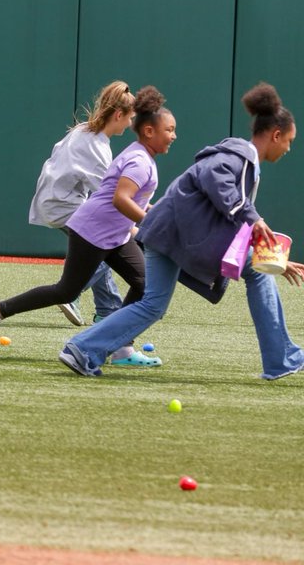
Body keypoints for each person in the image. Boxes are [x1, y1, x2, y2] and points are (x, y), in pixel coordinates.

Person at [61, 83, 304, 380]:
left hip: (171, 235)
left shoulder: (244, 160)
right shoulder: (239, 155)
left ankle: (82, 349)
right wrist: (255, 218)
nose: (289, 148)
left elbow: (233, 219)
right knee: (256, 273)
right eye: (289, 141)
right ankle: (282, 358)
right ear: (276, 135)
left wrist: (274, 257)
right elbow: (217, 179)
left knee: (152, 305)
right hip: (177, 235)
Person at [0, 87, 176, 366]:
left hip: (103, 226)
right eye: (169, 129)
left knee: (143, 283)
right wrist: (148, 227)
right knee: (67, 290)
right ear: (122, 116)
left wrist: (159, 218)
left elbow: (123, 199)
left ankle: (121, 347)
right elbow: (117, 200)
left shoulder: (93, 135)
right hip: (87, 223)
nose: (174, 135)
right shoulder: (107, 151)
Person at [29, 81, 134, 327]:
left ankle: (107, 309)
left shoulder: (84, 129)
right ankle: (73, 292)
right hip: (62, 205)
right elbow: (110, 198)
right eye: (129, 118)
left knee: (101, 245)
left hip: (56, 200)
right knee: (102, 248)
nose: (130, 124)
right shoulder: (97, 148)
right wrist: (131, 224)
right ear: (118, 115)